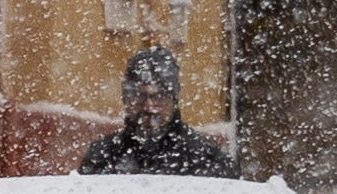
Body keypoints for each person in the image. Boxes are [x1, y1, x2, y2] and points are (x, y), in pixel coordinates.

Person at [77, 46, 235, 177]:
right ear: (125, 100)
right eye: (139, 96)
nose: (149, 107)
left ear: (174, 100)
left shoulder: (206, 159)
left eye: (159, 97)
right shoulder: (104, 155)